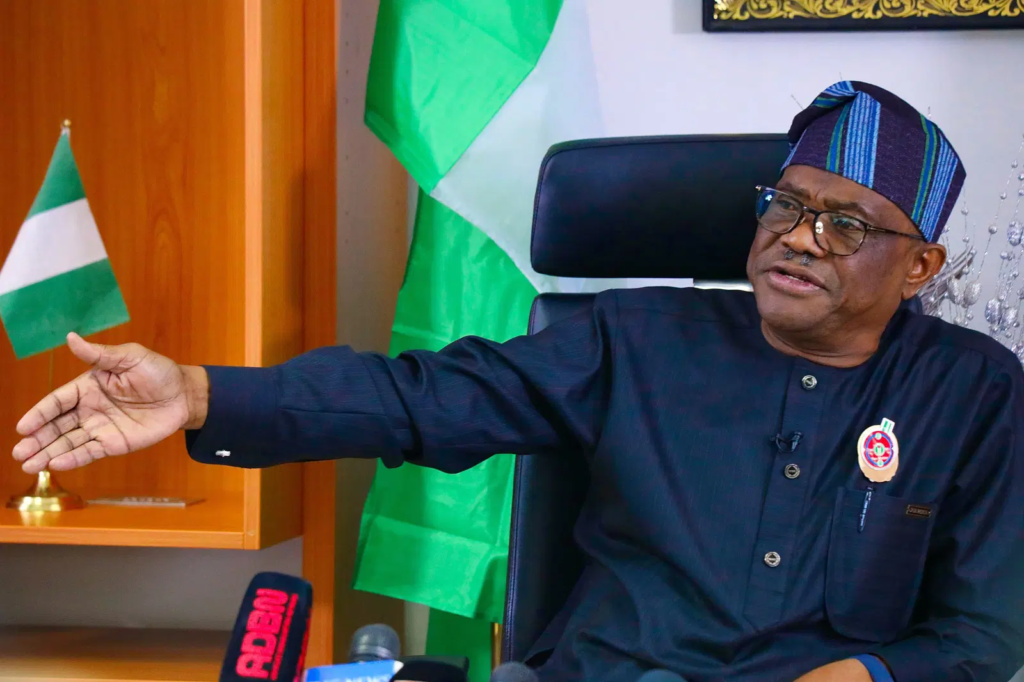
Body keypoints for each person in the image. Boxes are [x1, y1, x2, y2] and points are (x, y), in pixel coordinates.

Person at [10, 82, 1024, 682]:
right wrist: (200, 394)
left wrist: (866, 675)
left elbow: (985, 630)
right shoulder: (633, 337)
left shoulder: (974, 393)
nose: (798, 239)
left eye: (844, 225)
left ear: (919, 266)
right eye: (786, 206)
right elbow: (417, 397)